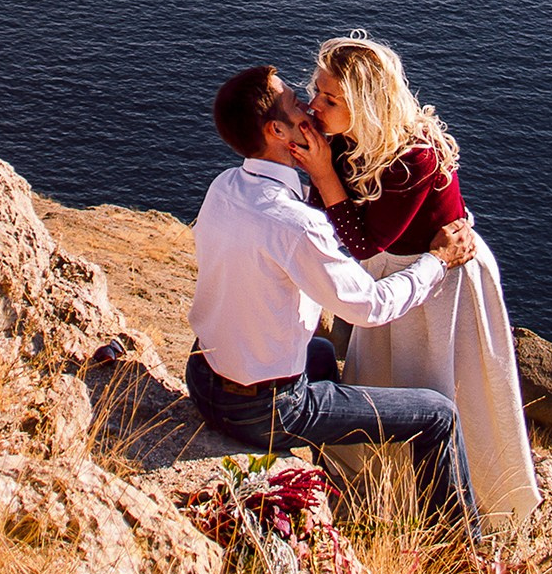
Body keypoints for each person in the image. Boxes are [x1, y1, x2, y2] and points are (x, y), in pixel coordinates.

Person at [186, 64, 485, 542]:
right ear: (277, 131)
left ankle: (337, 489)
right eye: (295, 105)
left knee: (323, 355)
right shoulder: (294, 224)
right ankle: (461, 550)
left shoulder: (226, 186)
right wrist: (438, 260)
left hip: (203, 380)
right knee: (437, 415)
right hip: (265, 410)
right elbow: (369, 307)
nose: (309, 108)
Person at [300, 34, 540, 531]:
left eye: (329, 99)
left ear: (364, 103)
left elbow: (363, 242)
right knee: (387, 386)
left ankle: (479, 510)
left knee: (447, 388)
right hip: (399, 281)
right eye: (316, 92)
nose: (314, 105)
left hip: (441, 287)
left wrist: (322, 173)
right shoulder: (352, 141)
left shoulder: (414, 156)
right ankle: (391, 506)